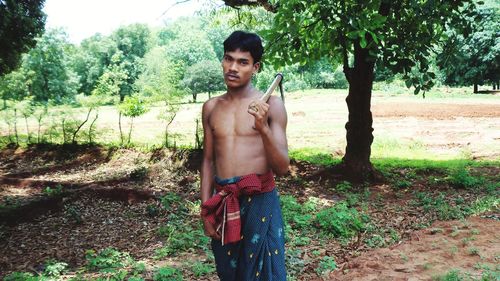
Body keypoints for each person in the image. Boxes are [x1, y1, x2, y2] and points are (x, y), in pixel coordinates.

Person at [200, 30, 289, 281]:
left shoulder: (272, 105)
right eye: (229, 59)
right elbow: (207, 161)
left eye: (243, 62)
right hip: (224, 202)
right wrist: (205, 210)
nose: (233, 67)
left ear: (256, 67)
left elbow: (282, 166)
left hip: (260, 200)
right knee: (229, 272)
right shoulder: (211, 107)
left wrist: (262, 128)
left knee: (266, 273)